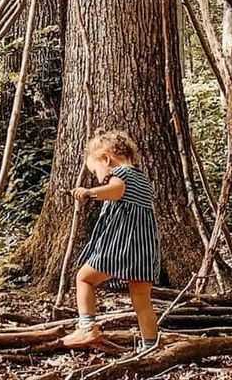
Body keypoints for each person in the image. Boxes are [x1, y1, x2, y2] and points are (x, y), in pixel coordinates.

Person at [63, 129, 161, 352]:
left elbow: (115, 191)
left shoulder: (122, 175)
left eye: (96, 171)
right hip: (144, 249)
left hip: (121, 245)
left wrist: (89, 192)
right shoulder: (142, 178)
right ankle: (150, 345)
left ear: (106, 159)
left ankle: (87, 326)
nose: (98, 177)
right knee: (142, 300)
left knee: (84, 278)